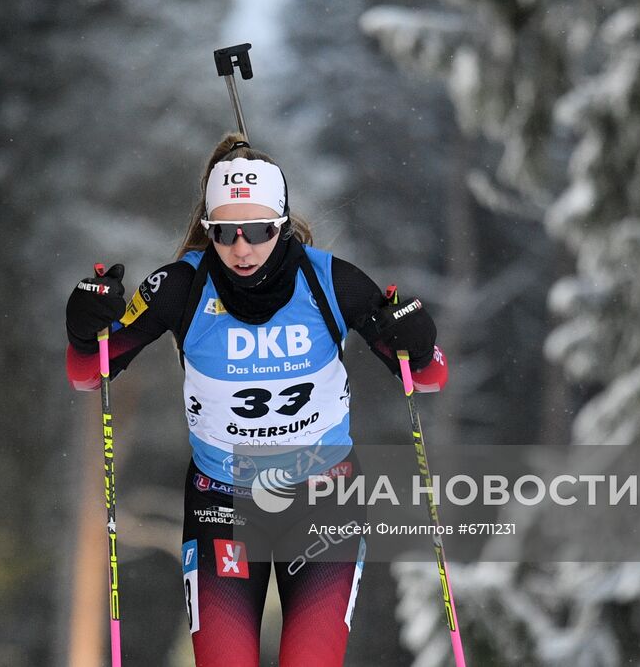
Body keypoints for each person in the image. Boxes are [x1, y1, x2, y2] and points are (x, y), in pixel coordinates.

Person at [65, 134, 448, 666]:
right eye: (223, 233)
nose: (241, 249)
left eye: (259, 231)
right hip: (223, 502)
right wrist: (87, 332)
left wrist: (419, 344)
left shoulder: (329, 280)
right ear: (208, 229)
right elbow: (90, 375)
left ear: (283, 224)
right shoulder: (180, 286)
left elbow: (427, 380)